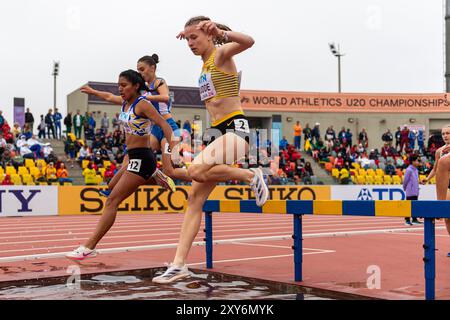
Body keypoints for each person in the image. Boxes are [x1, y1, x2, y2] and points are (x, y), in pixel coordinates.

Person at [152, 16, 269, 284]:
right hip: (216, 133)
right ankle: (179, 264)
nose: (190, 43)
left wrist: (221, 34)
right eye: (188, 39)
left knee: (194, 170)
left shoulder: (220, 55)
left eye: (195, 38)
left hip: (235, 131)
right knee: (194, 199)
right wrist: (191, 30)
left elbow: (249, 41)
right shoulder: (205, 66)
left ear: (209, 35)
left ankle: (250, 176)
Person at [66, 70, 177, 260]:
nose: (120, 88)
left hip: (142, 158)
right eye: (119, 85)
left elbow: (164, 125)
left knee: (112, 201)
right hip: (131, 156)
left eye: (124, 85)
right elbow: (109, 96)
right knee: (110, 188)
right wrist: (93, 92)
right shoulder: (125, 102)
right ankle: (154, 177)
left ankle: (89, 246)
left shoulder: (143, 104)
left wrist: (171, 150)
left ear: (136, 86)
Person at [423, 125, 450, 257]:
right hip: (447, 185)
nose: (445, 136)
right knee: (447, 218)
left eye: (448, 133)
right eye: (444, 133)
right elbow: (435, 168)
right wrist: (427, 179)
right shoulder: (439, 151)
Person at [402, 154, 423, 225]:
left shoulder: (416, 170)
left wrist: (420, 182)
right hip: (410, 191)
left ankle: (414, 219)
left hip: (415, 191)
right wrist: (405, 188)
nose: (418, 162)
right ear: (413, 161)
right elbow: (405, 180)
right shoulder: (409, 170)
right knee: (408, 206)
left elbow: (415, 180)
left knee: (414, 205)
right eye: (417, 160)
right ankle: (407, 220)